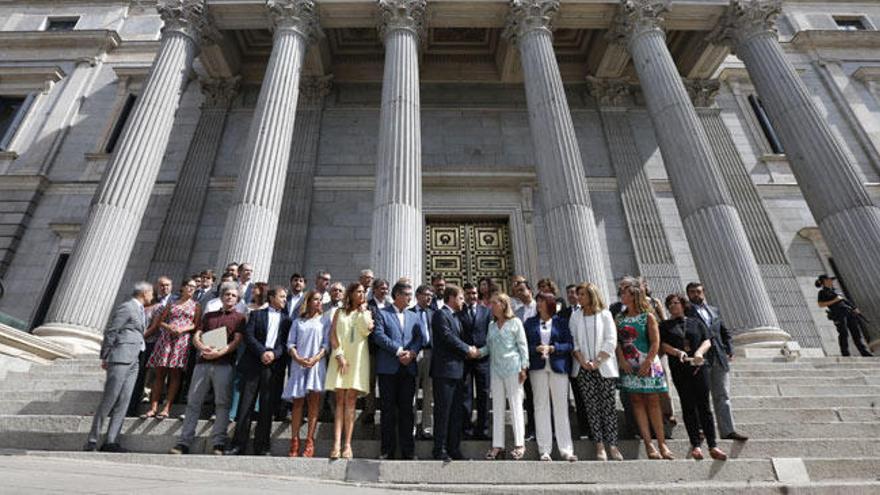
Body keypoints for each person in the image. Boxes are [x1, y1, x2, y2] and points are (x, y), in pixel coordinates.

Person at [170, 282, 245, 455]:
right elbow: (197, 335)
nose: (230, 298)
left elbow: (236, 341)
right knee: (193, 402)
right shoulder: (209, 316)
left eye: (233, 295)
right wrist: (202, 347)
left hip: (224, 364)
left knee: (222, 403)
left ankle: (218, 442)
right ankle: (184, 442)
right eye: (227, 295)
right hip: (203, 363)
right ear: (222, 297)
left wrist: (218, 353)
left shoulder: (240, 318)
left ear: (237, 299)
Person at [84, 282, 153, 452]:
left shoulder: (141, 311)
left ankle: (111, 440)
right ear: (144, 293)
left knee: (124, 400)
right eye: (151, 293)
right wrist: (106, 355)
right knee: (110, 399)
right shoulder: (127, 307)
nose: (153, 296)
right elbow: (112, 331)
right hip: (121, 356)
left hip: (135, 359)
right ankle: (92, 439)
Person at [660, 294, 728, 461]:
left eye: (676, 303)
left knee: (704, 406)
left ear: (683, 305)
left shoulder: (695, 322)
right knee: (688, 405)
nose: (673, 306)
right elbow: (662, 345)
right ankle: (696, 445)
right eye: (670, 304)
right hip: (680, 368)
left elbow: (707, 341)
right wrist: (677, 352)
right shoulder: (665, 325)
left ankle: (713, 445)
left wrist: (698, 352)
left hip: (699, 367)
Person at [225, 286, 291, 456]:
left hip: (273, 365)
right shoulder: (256, 315)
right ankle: (238, 444)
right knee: (246, 404)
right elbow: (248, 336)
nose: (285, 299)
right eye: (282, 296)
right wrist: (262, 352)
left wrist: (273, 354)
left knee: (267, 406)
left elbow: (285, 343)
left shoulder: (287, 320)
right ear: (271, 297)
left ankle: (262, 446)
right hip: (255, 362)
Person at [686, 282, 748, 442]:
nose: (696, 295)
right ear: (688, 295)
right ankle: (701, 430)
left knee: (722, 395)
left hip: (719, 356)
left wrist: (729, 349)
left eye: (698, 292)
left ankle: (728, 430)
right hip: (701, 357)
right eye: (692, 292)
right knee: (701, 396)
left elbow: (723, 331)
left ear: (703, 292)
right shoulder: (686, 311)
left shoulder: (714, 310)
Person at [616, 283, 672, 460]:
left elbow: (656, 341)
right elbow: (617, 342)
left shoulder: (648, 316)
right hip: (629, 364)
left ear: (633, 296)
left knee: (653, 402)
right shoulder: (619, 318)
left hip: (647, 362)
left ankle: (662, 443)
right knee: (636, 402)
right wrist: (622, 360)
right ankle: (648, 444)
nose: (621, 296)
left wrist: (647, 362)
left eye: (624, 293)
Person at [372, 281, 424, 459]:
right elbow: (378, 336)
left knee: (407, 411)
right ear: (398, 295)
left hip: (408, 368)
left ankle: (408, 451)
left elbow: (419, 337)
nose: (410, 298)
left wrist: (413, 352)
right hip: (389, 369)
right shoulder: (382, 313)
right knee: (388, 411)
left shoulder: (414, 316)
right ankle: (387, 450)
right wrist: (398, 350)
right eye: (407, 294)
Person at [570, 283, 622, 461]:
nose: (579, 297)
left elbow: (611, 340)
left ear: (592, 295)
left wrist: (598, 361)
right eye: (579, 294)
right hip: (583, 369)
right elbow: (573, 341)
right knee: (591, 407)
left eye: (582, 294)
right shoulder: (576, 316)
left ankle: (613, 445)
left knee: (608, 407)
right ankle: (599, 445)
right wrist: (583, 362)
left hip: (604, 367)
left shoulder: (605, 315)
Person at [524, 292, 577, 462]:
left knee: (561, 408)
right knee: (540, 407)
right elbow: (524, 344)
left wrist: (554, 348)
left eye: (542, 301)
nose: (538, 304)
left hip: (558, 366)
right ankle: (544, 449)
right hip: (537, 367)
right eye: (538, 300)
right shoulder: (530, 323)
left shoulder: (561, 322)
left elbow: (569, 344)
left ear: (550, 303)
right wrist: (536, 349)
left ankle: (566, 449)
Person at [325, 283, 375, 459]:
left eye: (363, 292)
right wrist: (339, 356)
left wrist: (362, 312)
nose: (362, 295)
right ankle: (336, 443)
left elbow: (366, 330)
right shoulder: (339, 312)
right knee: (339, 400)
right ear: (351, 294)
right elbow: (333, 335)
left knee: (351, 401)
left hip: (358, 360)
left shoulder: (367, 313)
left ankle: (347, 444)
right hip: (340, 358)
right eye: (358, 292)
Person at [478, 293, 529, 461]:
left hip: (513, 368)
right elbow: (488, 347)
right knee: (498, 407)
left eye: (494, 303)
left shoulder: (515, 323)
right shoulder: (492, 325)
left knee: (515, 406)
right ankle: (497, 445)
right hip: (496, 369)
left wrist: (524, 367)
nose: (491, 306)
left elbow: (522, 346)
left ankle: (519, 444)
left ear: (503, 304)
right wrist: (476, 352)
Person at [431, 284, 478, 461]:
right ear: (450, 298)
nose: (463, 301)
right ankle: (439, 449)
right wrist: (468, 349)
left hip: (458, 371)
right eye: (460, 298)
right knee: (443, 412)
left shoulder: (457, 317)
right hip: (444, 371)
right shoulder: (440, 315)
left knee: (456, 413)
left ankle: (454, 448)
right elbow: (447, 337)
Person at [143, 277, 201, 419]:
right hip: (166, 338)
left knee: (175, 374)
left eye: (194, 287)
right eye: (189, 286)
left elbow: (195, 324)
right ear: (182, 287)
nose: (192, 289)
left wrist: (183, 329)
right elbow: (161, 321)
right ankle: (153, 407)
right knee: (160, 374)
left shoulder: (196, 305)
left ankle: (166, 408)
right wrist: (169, 327)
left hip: (182, 339)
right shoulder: (172, 303)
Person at [284, 291, 329, 458]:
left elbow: (326, 344)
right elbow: (290, 343)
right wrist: (297, 357)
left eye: (320, 300)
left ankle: (310, 440)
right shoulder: (298, 321)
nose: (318, 302)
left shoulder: (325, 320)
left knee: (313, 403)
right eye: (315, 299)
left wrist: (316, 358)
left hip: (316, 364)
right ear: (308, 301)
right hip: (299, 364)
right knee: (297, 403)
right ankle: (294, 440)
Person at [126, 279, 165, 417]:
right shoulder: (139, 308)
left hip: (149, 344)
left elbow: (155, 326)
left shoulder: (158, 307)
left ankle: (132, 407)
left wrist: (139, 336)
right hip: (134, 344)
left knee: (140, 375)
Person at [457, 282, 491, 440]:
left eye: (474, 293)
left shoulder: (487, 312)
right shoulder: (458, 312)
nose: (472, 296)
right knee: (466, 395)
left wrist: (481, 351)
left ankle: (482, 428)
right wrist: (467, 350)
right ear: (464, 295)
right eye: (469, 293)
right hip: (465, 358)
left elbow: (491, 334)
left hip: (483, 359)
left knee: (484, 394)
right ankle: (466, 428)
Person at [816, 274, 873, 357]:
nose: (832, 281)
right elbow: (821, 304)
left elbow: (845, 301)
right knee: (844, 333)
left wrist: (854, 308)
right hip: (838, 314)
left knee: (856, 333)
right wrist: (835, 300)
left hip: (849, 312)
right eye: (830, 280)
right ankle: (845, 354)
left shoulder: (835, 291)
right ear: (825, 281)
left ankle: (864, 352)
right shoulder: (822, 292)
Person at [362, 278, 390, 426]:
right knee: (370, 382)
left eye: (386, 288)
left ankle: (385, 409)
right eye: (381, 288)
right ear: (374, 289)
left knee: (385, 382)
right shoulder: (367, 305)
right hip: (372, 349)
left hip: (387, 351)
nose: (384, 291)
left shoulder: (389, 306)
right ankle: (370, 411)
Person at [514, 281, 538, 440]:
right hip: (525, 359)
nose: (521, 293)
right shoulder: (517, 312)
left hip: (540, 358)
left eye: (523, 290)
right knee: (529, 396)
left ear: (530, 290)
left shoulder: (540, 308)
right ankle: (532, 429)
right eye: (518, 291)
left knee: (542, 397)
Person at [411, 284, 435, 439]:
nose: (429, 298)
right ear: (417, 295)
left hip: (430, 354)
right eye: (426, 295)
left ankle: (427, 428)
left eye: (431, 296)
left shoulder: (434, 313)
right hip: (414, 354)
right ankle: (411, 427)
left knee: (429, 393)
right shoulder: (409, 313)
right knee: (411, 394)